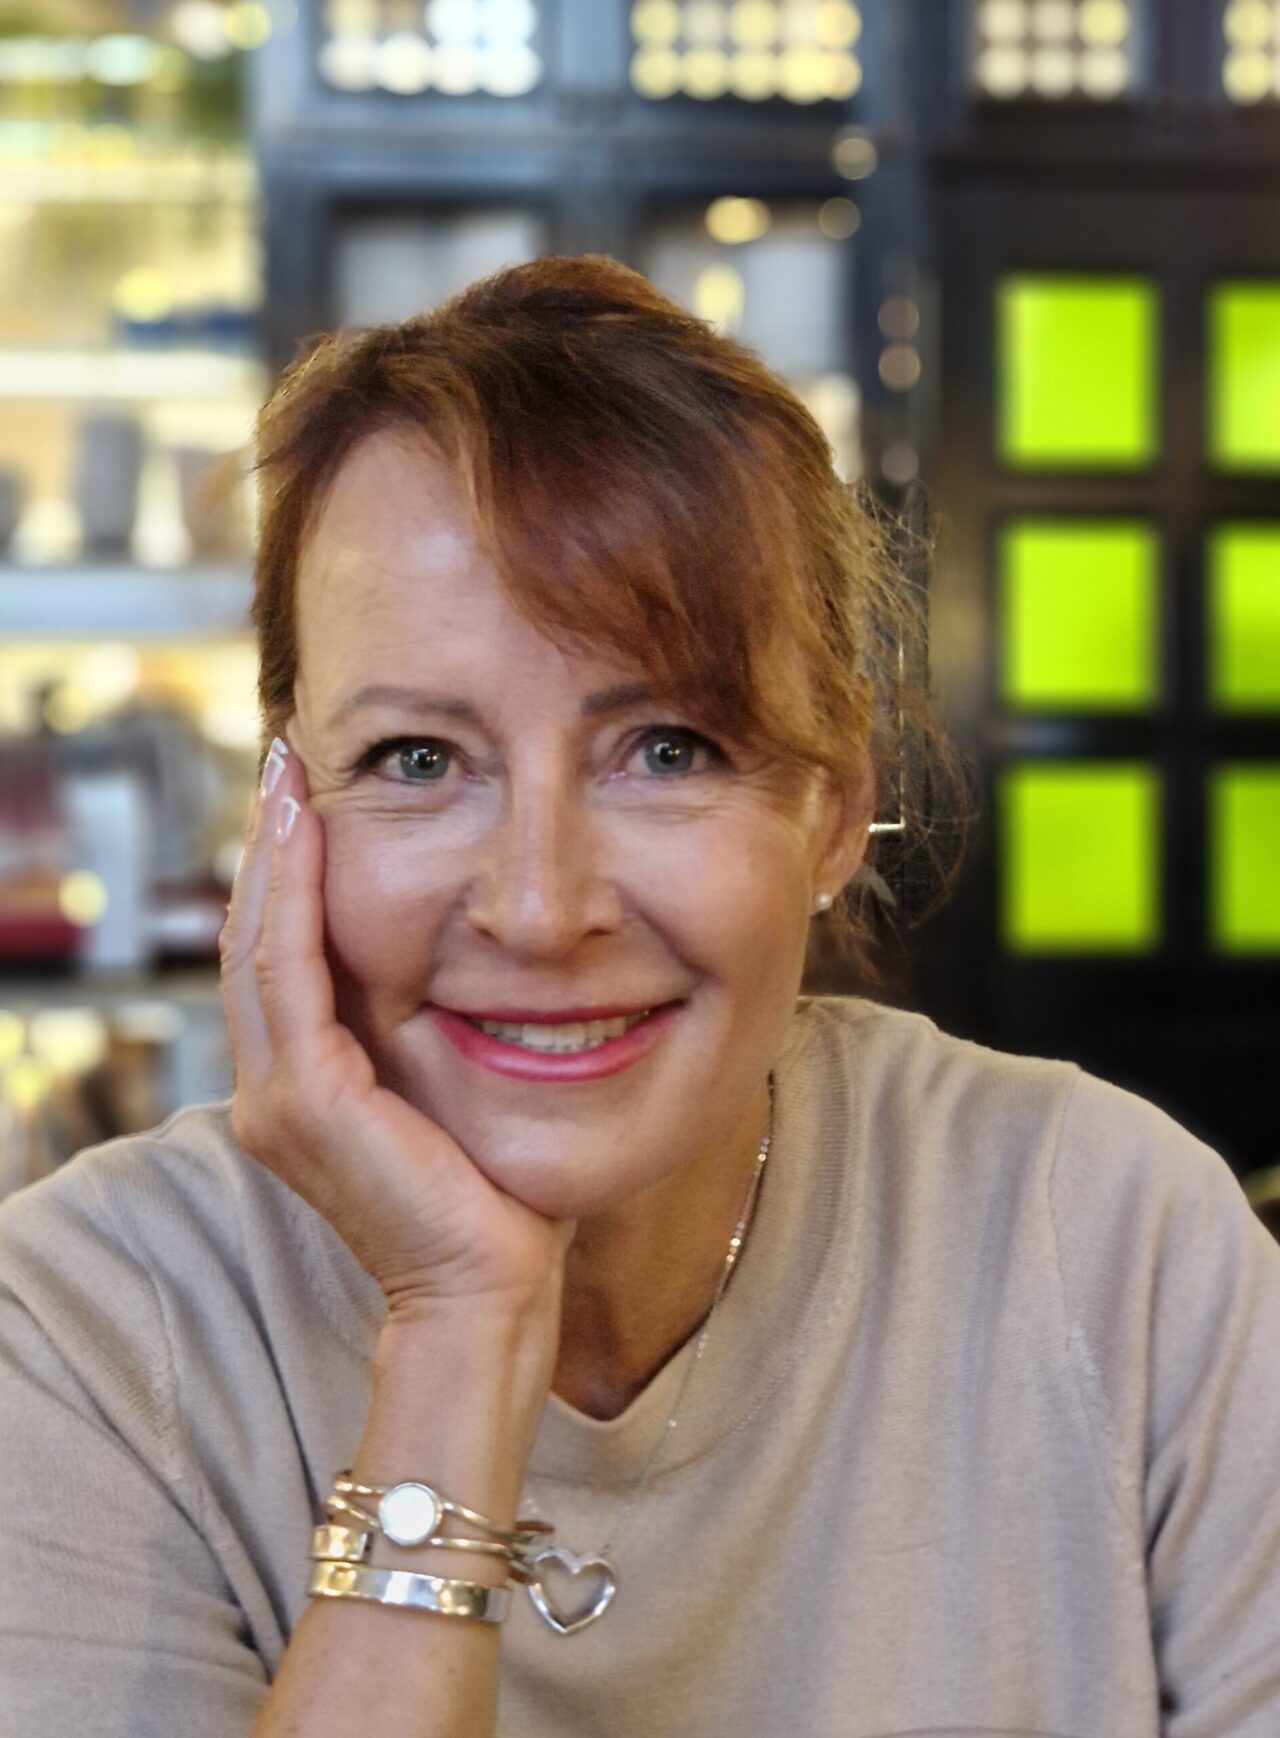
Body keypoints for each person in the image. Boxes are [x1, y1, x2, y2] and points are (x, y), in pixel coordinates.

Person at [2, 255, 1279, 1738]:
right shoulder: (85, 1338)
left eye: (668, 749)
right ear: (288, 809)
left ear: (829, 810)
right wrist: (462, 1327)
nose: (541, 907)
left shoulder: (1111, 1243)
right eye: (418, 758)